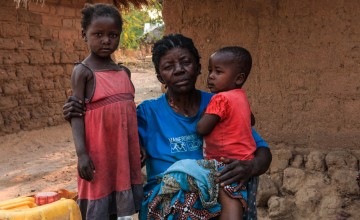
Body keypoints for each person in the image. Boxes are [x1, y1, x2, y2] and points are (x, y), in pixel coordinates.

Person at [63, 34, 272, 220]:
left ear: (199, 68)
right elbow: (110, 140)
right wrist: (81, 111)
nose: (179, 70)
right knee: (187, 207)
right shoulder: (147, 113)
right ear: (159, 77)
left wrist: (250, 167)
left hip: (216, 193)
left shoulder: (220, 104)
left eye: (186, 62)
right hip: (166, 198)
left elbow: (262, 151)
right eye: (168, 66)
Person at [69, 3, 142, 219]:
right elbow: (76, 114)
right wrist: (82, 154)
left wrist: (139, 143)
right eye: (98, 34)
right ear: (84, 35)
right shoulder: (83, 72)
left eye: (113, 35)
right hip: (98, 152)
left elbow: (127, 114)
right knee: (99, 195)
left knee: (121, 207)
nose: (106, 40)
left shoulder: (124, 73)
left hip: (122, 152)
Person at [196, 46, 256, 219]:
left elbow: (202, 128)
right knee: (243, 201)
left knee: (229, 202)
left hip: (226, 163)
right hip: (245, 161)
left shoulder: (220, 99)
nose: (211, 76)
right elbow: (251, 121)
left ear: (238, 79)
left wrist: (205, 113)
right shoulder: (241, 96)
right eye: (210, 71)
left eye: (218, 72)